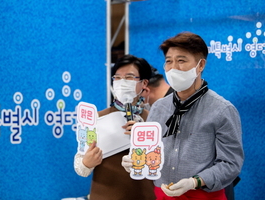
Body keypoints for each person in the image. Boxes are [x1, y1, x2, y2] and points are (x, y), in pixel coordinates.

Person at [122, 32, 244, 200]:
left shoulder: (222, 110)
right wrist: (135, 160)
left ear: (200, 65)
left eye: (181, 61)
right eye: (169, 61)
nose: (173, 68)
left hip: (203, 195)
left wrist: (194, 182)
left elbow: (230, 164)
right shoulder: (159, 108)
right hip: (162, 194)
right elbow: (150, 150)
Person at [74, 54, 155, 200]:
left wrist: (144, 152)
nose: (122, 82)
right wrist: (87, 162)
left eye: (129, 77)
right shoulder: (96, 119)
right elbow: (80, 167)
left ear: (144, 83)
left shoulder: (154, 120)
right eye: (117, 78)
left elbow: (167, 163)